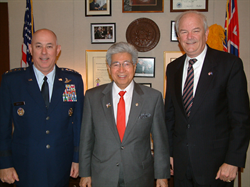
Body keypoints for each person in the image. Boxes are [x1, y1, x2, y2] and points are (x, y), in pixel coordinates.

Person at [165, 11, 250, 187]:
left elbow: (240, 118)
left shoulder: (229, 64)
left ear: (206, 33)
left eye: (195, 30)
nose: (189, 37)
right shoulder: (173, 68)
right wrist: (170, 153)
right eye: (183, 31)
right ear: (178, 36)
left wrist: (233, 161)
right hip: (180, 166)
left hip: (217, 167)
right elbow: (170, 116)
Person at [0, 29, 84, 187]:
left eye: (49, 46)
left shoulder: (73, 80)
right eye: (38, 46)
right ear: (30, 49)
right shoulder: (12, 81)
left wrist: (77, 159)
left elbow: (79, 124)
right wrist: (4, 163)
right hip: (25, 165)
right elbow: (2, 125)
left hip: (61, 164)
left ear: (57, 50)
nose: (44, 52)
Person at [79, 42, 170, 187]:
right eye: (116, 64)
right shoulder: (92, 97)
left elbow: (160, 142)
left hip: (139, 175)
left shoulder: (153, 97)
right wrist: (84, 173)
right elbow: (86, 139)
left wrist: (162, 175)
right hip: (102, 175)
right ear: (109, 68)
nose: (121, 69)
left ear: (135, 66)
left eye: (127, 63)